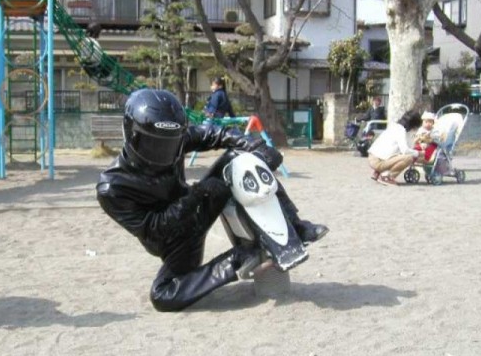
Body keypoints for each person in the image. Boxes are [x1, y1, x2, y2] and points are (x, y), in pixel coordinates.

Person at [96, 89, 328, 312]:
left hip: (199, 206)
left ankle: (296, 226)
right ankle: (240, 259)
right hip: (174, 243)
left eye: (171, 143)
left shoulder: (175, 140)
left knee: (238, 158)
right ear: (130, 133)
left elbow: (216, 133)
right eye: (154, 144)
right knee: (162, 296)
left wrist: (257, 147)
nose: (164, 151)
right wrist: (196, 195)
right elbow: (155, 230)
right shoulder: (112, 187)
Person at [367, 110, 423, 186]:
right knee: (408, 158)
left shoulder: (394, 126)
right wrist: (418, 153)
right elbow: (405, 150)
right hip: (378, 161)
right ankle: (386, 177)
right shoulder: (401, 131)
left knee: (398, 153)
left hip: (373, 157)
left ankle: (378, 172)